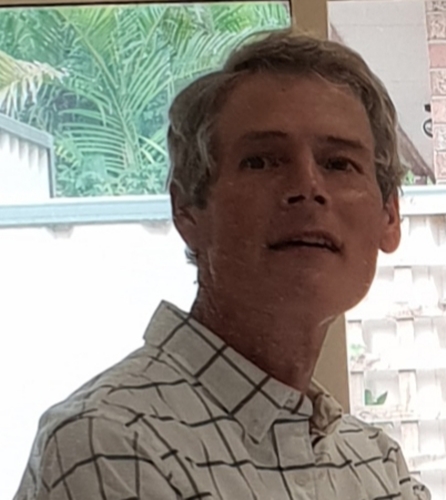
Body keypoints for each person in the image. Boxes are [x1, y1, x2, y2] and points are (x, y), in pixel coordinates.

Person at [14, 30, 431, 500]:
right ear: (187, 210)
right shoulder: (112, 442)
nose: (307, 187)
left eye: (339, 164)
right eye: (262, 161)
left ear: (389, 216)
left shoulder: (375, 461)